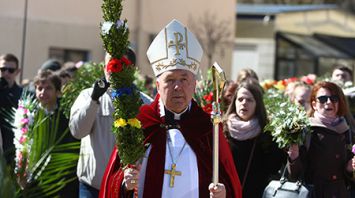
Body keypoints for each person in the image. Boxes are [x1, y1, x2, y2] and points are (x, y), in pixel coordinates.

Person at [100, 19, 242, 198]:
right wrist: (123, 184)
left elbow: (228, 182)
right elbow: (114, 180)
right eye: (170, 80)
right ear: (158, 85)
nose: (177, 87)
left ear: (194, 85)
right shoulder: (140, 122)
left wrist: (224, 193)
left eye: (184, 79)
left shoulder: (208, 128)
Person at [69, 49, 152, 198]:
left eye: (120, 65)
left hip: (127, 190)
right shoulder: (87, 96)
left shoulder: (145, 104)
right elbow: (77, 131)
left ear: (131, 69)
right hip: (92, 189)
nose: (113, 70)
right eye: (110, 65)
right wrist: (94, 100)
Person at [287, 81, 355, 197]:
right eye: (322, 99)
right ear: (314, 105)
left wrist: (349, 168)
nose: (328, 102)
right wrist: (293, 156)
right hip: (313, 193)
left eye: (334, 98)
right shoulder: (305, 130)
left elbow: (347, 177)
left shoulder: (347, 130)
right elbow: (294, 175)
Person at [223, 79, 286, 197]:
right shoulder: (222, 130)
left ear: (257, 104)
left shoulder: (267, 132)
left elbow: (273, 167)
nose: (244, 103)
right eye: (240, 99)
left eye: (249, 100)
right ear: (234, 102)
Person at [33, 70, 79, 197]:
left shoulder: (65, 116)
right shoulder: (28, 116)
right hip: (35, 179)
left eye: (48, 88)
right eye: (39, 88)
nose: (43, 92)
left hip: (61, 179)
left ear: (58, 92)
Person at [0, 53, 23, 167]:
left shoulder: (22, 94)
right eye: (3, 69)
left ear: (17, 72)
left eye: (10, 70)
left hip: (13, 150)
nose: (6, 73)